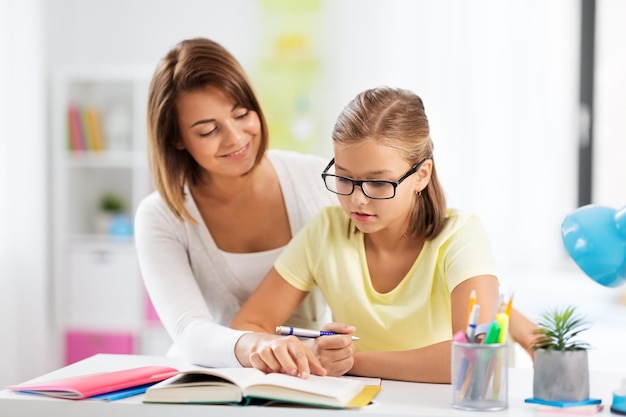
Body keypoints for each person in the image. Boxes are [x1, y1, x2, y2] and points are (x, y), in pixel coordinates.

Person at [230, 86, 536, 383]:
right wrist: (307, 349)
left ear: (421, 175)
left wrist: (354, 361)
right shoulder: (326, 230)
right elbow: (247, 324)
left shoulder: (460, 235)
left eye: (378, 183)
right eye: (344, 178)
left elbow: (474, 355)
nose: (357, 200)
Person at [134, 37, 336, 369]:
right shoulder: (160, 216)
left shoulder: (319, 180)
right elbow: (189, 330)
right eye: (208, 130)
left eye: (242, 114)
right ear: (176, 138)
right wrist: (256, 344)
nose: (235, 138)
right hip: (213, 382)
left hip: (312, 378)